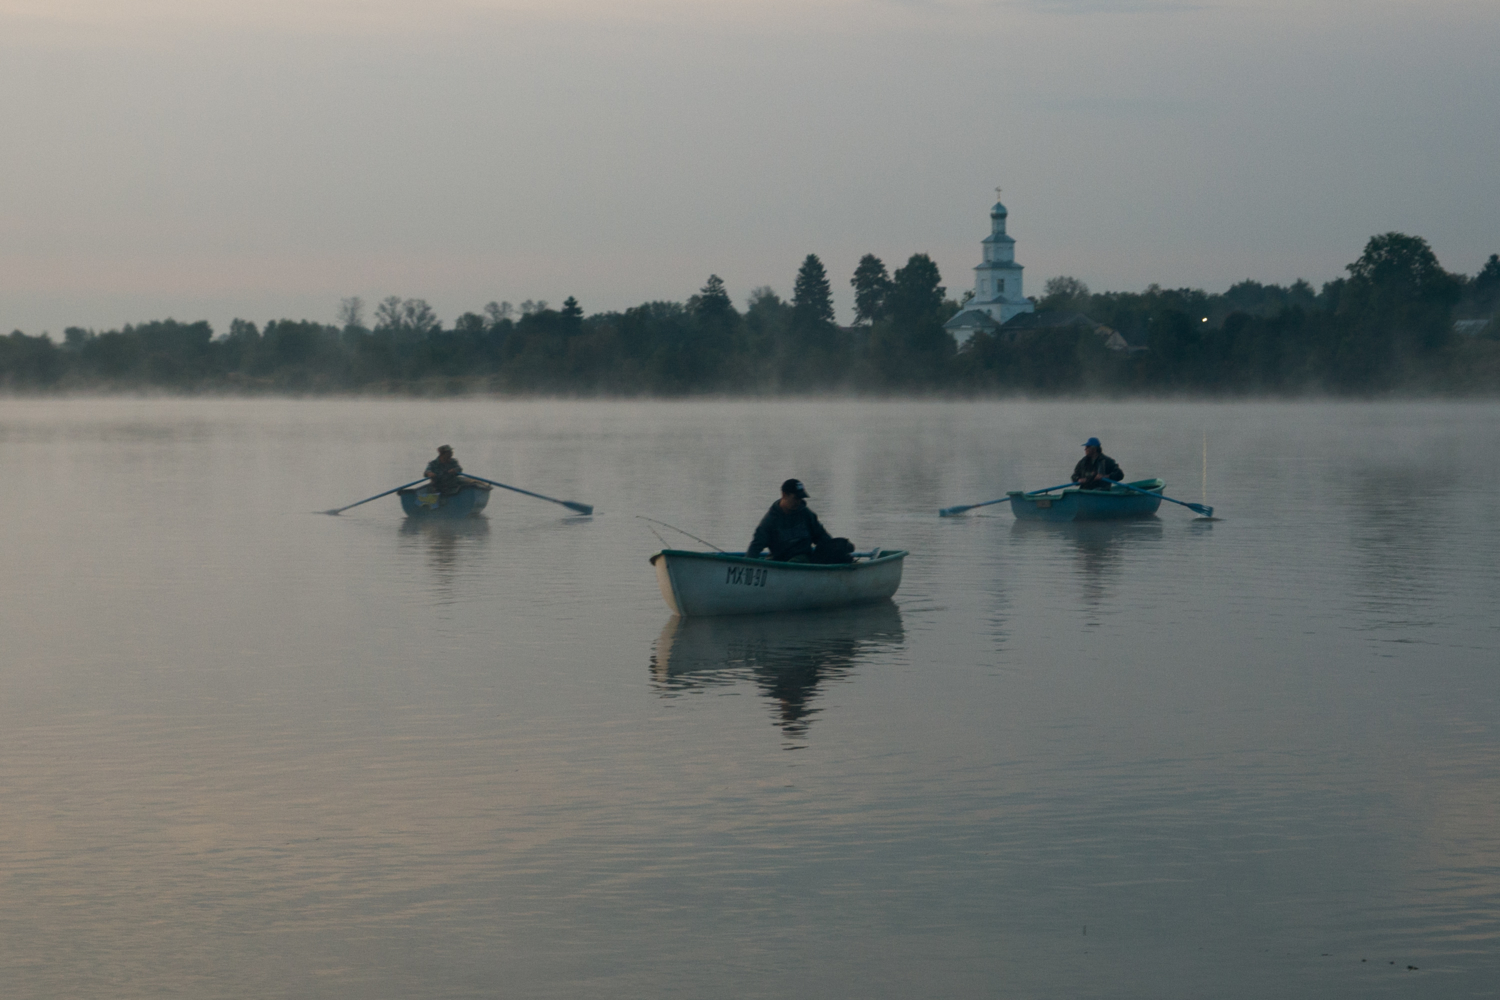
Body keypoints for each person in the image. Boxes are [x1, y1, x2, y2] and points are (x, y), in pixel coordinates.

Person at [746, 479, 854, 563]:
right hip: (781, 562)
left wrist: (838, 550)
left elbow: (823, 538)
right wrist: (748, 565)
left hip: (806, 560)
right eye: (795, 498)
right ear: (784, 495)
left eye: (801, 498)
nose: (798, 502)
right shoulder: (770, 521)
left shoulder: (806, 514)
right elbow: (755, 546)